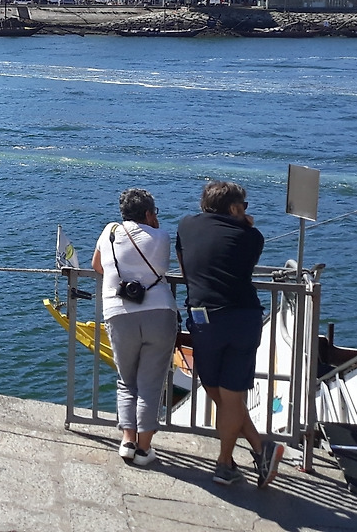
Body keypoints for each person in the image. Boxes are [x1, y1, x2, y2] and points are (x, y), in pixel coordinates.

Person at [176, 180, 284, 488]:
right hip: (244, 318)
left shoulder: (185, 225)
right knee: (231, 395)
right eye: (244, 206)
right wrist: (246, 225)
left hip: (204, 318)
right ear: (235, 207)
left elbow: (186, 270)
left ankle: (237, 458)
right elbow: (243, 267)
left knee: (216, 390)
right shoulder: (252, 237)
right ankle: (251, 452)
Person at [91, 188, 177, 467]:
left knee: (126, 379)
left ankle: (127, 441)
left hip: (119, 313)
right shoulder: (161, 236)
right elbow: (162, 266)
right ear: (150, 214)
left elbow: (97, 265)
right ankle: (144, 448)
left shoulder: (110, 232)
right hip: (159, 313)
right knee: (150, 384)